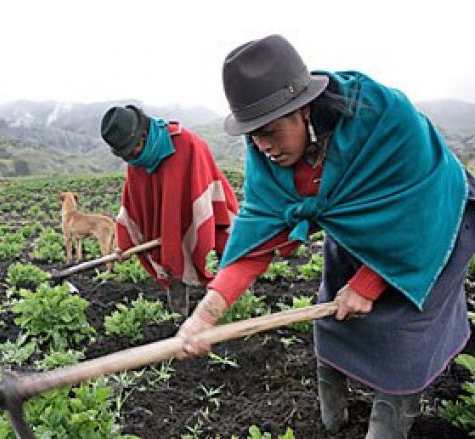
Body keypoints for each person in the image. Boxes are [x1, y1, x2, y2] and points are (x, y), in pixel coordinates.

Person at [176, 34, 475, 439]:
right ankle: (333, 421)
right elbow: (255, 239)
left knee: (402, 333)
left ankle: (390, 422)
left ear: (304, 110)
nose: (263, 146)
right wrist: (204, 315)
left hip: (432, 223)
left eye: (271, 131)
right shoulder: (268, 154)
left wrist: (370, 282)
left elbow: (419, 211)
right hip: (354, 229)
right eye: (253, 135)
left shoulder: (385, 119)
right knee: (332, 316)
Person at [100, 105, 238, 316]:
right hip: (163, 230)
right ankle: (178, 317)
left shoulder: (186, 144)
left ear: (144, 136)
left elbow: (202, 189)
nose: (132, 158)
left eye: (133, 150)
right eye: (126, 155)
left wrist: (183, 226)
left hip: (201, 213)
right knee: (170, 262)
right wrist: (125, 244)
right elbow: (133, 204)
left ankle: (237, 307)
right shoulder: (136, 162)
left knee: (227, 257)